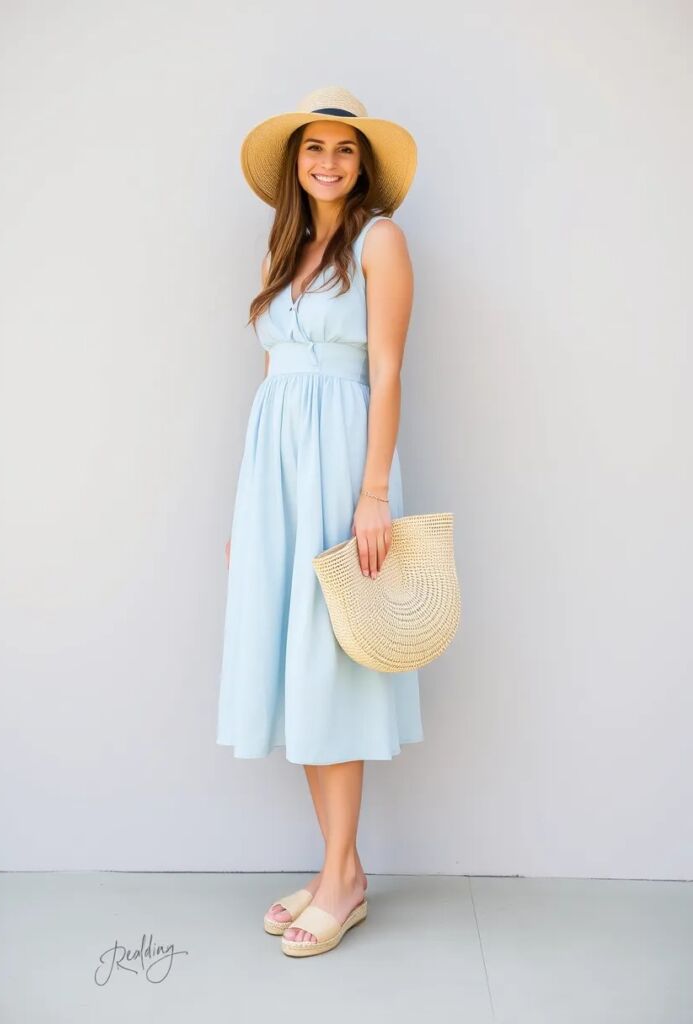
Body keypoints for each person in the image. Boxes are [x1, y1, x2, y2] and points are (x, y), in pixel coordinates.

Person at [216, 85, 423, 957]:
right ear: (296, 163)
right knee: (295, 670)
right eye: (314, 149)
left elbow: (385, 370)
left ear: (362, 164)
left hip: (341, 474)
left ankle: (341, 877)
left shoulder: (382, 242)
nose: (329, 163)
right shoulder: (288, 251)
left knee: (331, 669)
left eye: (344, 150)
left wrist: (371, 493)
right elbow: (271, 384)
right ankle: (341, 867)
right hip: (277, 480)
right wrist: (247, 509)